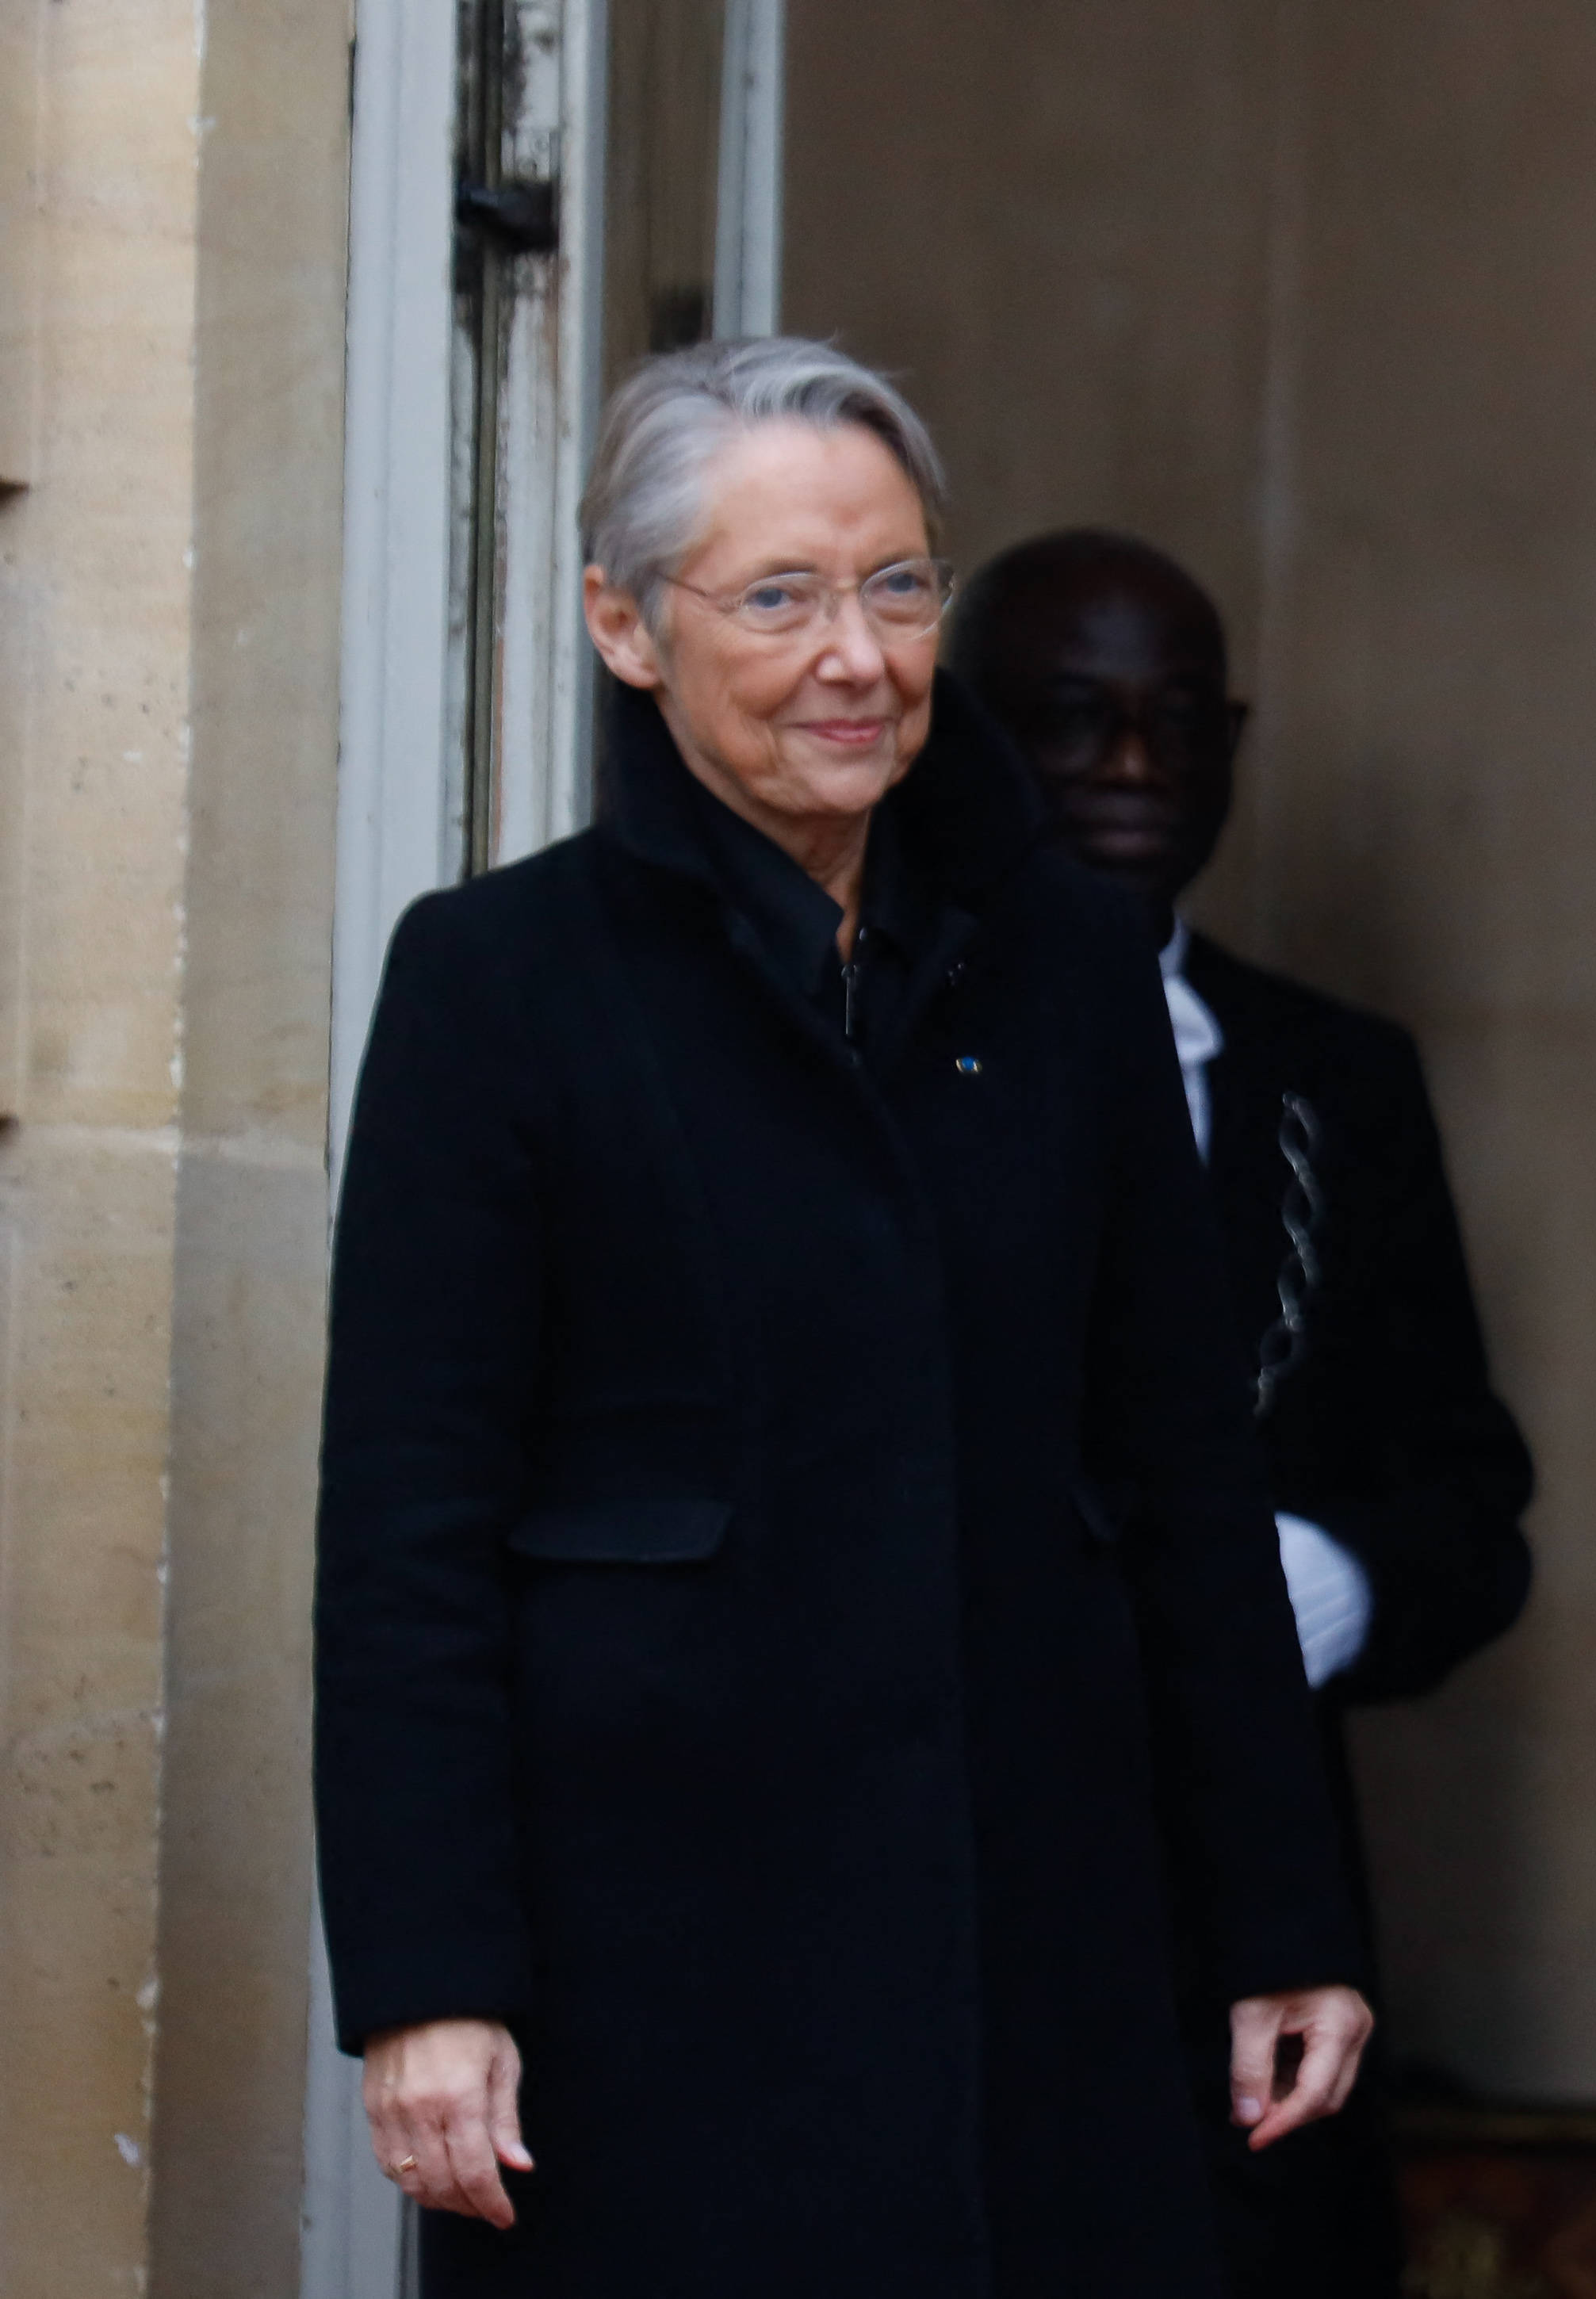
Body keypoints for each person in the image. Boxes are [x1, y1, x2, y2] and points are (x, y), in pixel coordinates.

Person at [312, 339, 1372, 2298]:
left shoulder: (1060, 967)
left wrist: (1277, 1912)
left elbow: (1183, 1476)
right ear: (623, 625)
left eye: (897, 586)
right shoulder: (499, 983)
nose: (859, 657)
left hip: (1033, 1934)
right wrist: (428, 1979)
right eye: (779, 596)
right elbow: (405, 1536)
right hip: (646, 1971)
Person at [947, 529, 1536, 2299]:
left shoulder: (1329, 1078)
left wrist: (1322, 1582)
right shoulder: (878, 1040)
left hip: (1249, 1915)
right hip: (956, 1879)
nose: (1132, 766)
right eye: (1072, 719)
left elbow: (1468, 1500)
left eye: (1177, 722)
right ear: (970, 737)